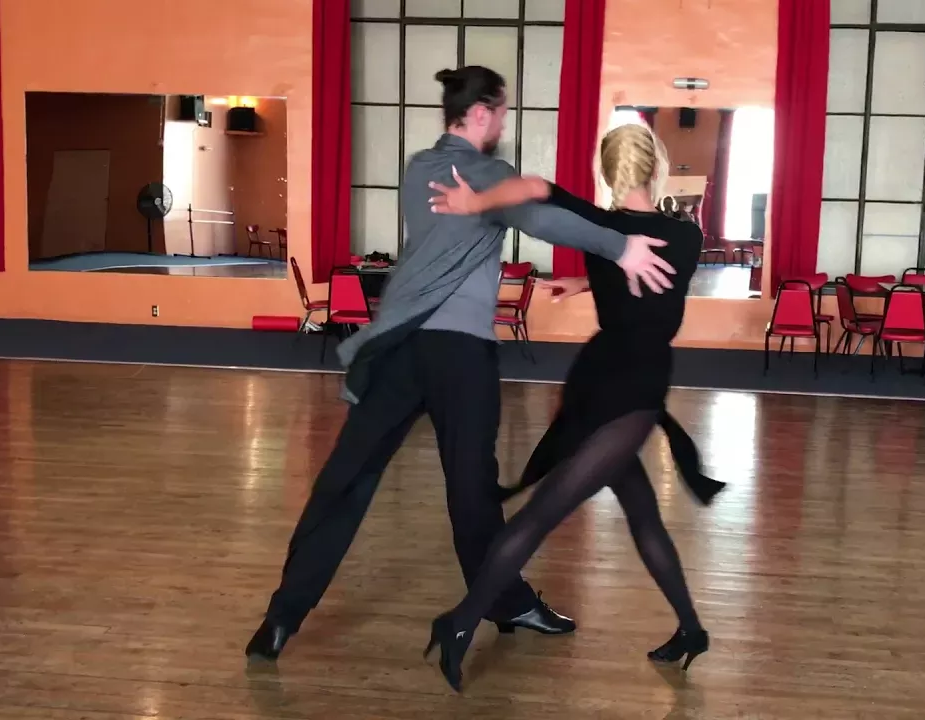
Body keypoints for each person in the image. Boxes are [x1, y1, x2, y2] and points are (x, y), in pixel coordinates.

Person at [244, 66, 677, 661]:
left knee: (345, 478)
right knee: (471, 491)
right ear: (480, 113)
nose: (503, 124)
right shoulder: (487, 175)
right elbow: (542, 217)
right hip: (459, 354)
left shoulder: (418, 168)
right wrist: (621, 245)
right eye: (500, 114)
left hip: (400, 347)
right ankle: (508, 602)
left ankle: (280, 618)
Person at [422, 123, 718, 692]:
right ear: (657, 168)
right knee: (552, 514)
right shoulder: (687, 234)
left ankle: (690, 629)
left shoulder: (598, 229)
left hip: (599, 380)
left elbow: (536, 187)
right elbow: (652, 290)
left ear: (606, 172)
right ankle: (460, 623)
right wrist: (588, 284)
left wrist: (475, 202)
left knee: (624, 514)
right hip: (634, 388)